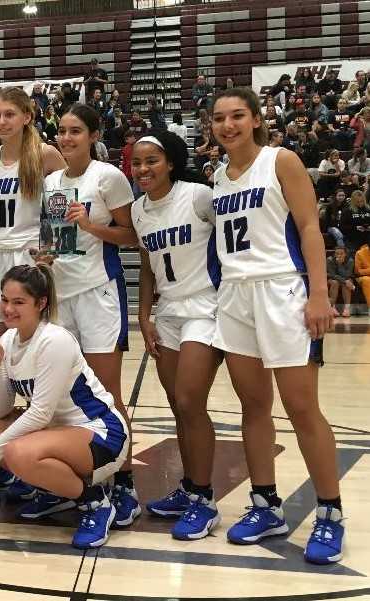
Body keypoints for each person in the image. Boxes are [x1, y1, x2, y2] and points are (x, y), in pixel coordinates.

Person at [211, 87, 344, 564]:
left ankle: (330, 513)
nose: (228, 126)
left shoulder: (280, 159)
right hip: (235, 295)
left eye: (238, 116)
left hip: (282, 291)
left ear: (256, 120)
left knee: (302, 407)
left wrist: (320, 292)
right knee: (252, 406)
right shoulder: (218, 176)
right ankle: (265, 504)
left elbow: (309, 226)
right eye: (220, 118)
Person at [0, 264, 129, 549]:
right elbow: (0, 409)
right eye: (5, 299)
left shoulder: (54, 340)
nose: (8, 308)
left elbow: (40, 413)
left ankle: (94, 503)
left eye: (19, 302)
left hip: (100, 432)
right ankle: (57, 489)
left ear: (41, 303)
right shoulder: (7, 339)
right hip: (57, 433)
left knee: (16, 452)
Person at [32, 103, 140, 524]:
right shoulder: (52, 182)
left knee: (107, 393)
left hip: (99, 293)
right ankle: (78, 483)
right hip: (62, 293)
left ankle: (125, 484)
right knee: (65, 395)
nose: (66, 138)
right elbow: (55, 240)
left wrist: (92, 227)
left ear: (93, 135)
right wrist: (42, 256)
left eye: (76, 131)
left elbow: (132, 236)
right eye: (61, 131)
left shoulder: (109, 177)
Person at [130, 131, 223, 540]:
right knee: (176, 406)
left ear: (170, 162)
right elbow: (149, 267)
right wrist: (144, 313)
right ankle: (190, 487)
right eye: (136, 162)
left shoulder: (199, 196)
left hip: (205, 306)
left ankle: (205, 499)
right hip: (166, 312)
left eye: (151, 160)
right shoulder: (138, 210)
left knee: (189, 400)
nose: (143, 169)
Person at [0, 86, 65, 337]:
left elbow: (63, 211)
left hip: (29, 255)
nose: (2, 121)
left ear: (27, 117)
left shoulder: (45, 154)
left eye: (9, 114)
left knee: (31, 340)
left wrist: (51, 250)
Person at [327, 246, 355, 317]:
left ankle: (347, 309)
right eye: (337, 253)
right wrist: (345, 281)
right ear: (334, 254)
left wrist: (340, 265)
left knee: (348, 282)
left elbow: (348, 275)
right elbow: (332, 275)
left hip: (346, 278)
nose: (339, 255)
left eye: (341, 253)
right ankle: (332, 307)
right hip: (332, 279)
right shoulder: (329, 260)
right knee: (335, 282)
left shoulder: (350, 261)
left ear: (345, 254)